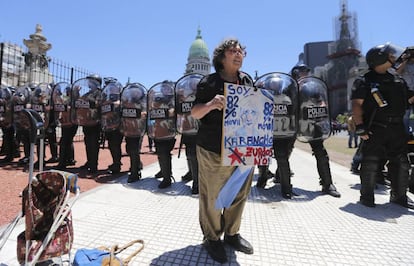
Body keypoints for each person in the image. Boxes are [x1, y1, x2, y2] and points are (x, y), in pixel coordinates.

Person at [191, 38, 254, 263]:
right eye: (233, 51)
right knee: (212, 196)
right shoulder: (209, 83)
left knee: (239, 193)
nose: (238, 54)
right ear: (221, 57)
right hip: (213, 148)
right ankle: (212, 238)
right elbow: (195, 113)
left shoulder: (247, 80)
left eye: (241, 51)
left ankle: (232, 233)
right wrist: (210, 105)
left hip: (243, 148)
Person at [351, 43, 414, 209]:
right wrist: (360, 127)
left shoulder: (397, 79)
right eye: (390, 55)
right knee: (370, 161)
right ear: (380, 59)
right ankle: (367, 196)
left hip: (397, 128)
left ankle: (399, 196)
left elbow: (408, 99)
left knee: (401, 162)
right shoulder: (365, 80)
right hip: (375, 127)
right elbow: (357, 105)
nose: (393, 58)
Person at [293, 64, 341, 198]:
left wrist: (321, 108)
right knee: (284, 153)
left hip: (313, 123)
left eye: (307, 71)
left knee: (321, 153)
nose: (306, 74)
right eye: (303, 72)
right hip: (295, 123)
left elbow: (321, 102)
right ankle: (283, 180)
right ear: (296, 73)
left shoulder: (313, 88)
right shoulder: (290, 87)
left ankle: (327, 184)